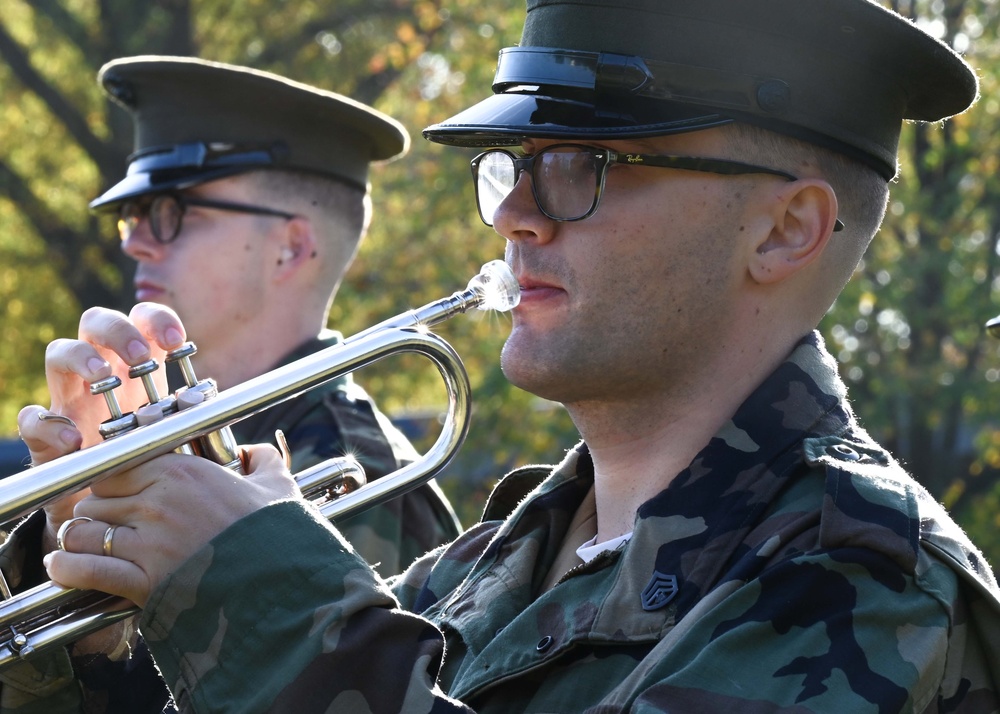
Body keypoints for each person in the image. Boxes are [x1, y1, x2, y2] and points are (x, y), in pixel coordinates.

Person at [15, 0, 1000, 711]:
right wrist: (103, 627)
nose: (516, 217)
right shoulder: (480, 569)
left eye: (583, 167)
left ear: (785, 231)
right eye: (512, 169)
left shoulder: (868, 581)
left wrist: (260, 592)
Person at [2, 57, 460, 711]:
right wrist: (69, 560)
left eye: (170, 211)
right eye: (131, 216)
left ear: (290, 248)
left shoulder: (356, 468)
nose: (136, 243)